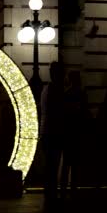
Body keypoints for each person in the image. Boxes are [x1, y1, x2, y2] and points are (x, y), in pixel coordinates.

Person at [60, 70, 91, 197]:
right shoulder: (81, 93)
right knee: (75, 163)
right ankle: (73, 187)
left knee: (67, 163)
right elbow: (85, 112)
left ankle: (63, 188)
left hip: (68, 132)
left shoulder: (66, 94)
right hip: (78, 133)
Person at [39, 61, 66, 201]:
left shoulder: (46, 89)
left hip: (47, 132)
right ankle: (52, 192)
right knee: (53, 164)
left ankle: (50, 191)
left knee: (50, 165)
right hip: (54, 132)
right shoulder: (57, 90)